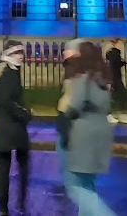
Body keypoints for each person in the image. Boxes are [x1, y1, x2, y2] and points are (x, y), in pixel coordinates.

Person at [62, 41, 119, 216]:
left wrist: (67, 112)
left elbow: (75, 106)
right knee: (89, 183)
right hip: (102, 130)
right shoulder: (104, 77)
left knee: (74, 186)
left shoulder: (83, 79)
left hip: (84, 132)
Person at [0, 40, 31, 216]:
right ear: (8, 54)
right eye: (16, 53)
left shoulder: (9, 70)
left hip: (7, 126)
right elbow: (5, 100)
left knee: (8, 167)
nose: (21, 56)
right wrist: (23, 113)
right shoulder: (8, 73)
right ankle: (9, 205)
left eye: (22, 52)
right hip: (10, 126)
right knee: (12, 167)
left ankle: (8, 206)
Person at [55, 39, 83, 175]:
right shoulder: (73, 66)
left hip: (68, 110)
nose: (64, 53)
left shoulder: (73, 66)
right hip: (68, 109)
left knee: (65, 142)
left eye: (67, 50)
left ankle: (70, 171)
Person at [104, 39, 127, 125]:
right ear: (116, 44)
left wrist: (122, 63)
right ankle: (122, 113)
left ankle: (117, 113)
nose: (121, 46)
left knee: (115, 95)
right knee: (121, 95)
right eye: (120, 44)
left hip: (114, 78)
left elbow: (114, 64)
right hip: (114, 78)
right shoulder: (114, 53)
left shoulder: (113, 53)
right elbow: (113, 65)